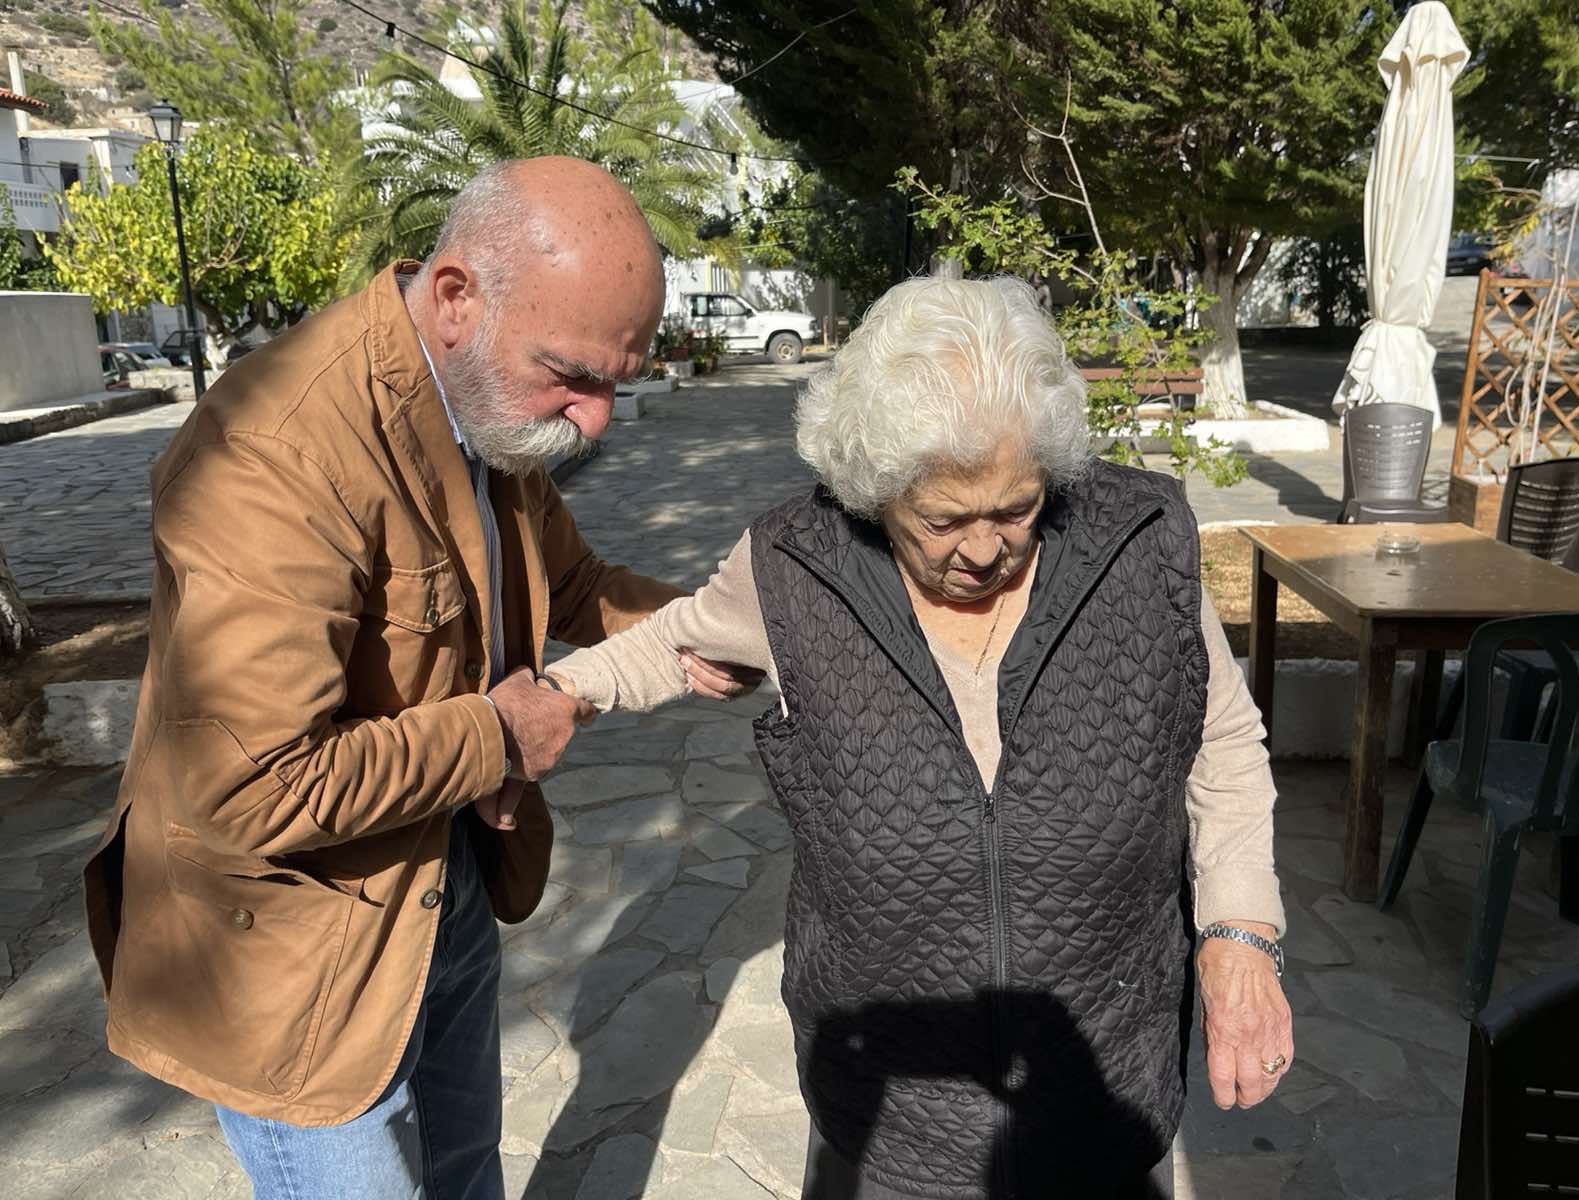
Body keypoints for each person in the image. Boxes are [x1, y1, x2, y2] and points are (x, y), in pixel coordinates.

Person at [81, 157, 749, 1199]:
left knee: (465, 1175)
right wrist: (500, 735)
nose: (595, 421)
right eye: (573, 375)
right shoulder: (279, 450)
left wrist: (714, 628)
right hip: (295, 965)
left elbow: (571, 584)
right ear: (455, 298)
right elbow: (252, 787)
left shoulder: (484, 399)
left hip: (444, 883)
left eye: (616, 383)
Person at [547, 275, 1294, 1198]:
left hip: (1101, 1086)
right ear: (874, 488)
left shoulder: (1142, 540)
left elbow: (1223, 741)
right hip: (891, 1115)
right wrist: (559, 694)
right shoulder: (794, 565)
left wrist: (1240, 935)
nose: (983, 550)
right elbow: (673, 640)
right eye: (943, 519)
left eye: (1015, 509)